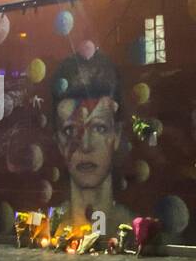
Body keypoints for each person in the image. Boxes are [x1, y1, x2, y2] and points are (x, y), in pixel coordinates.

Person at [51, 49, 135, 231]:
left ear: (117, 134)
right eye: (71, 130)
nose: (85, 145)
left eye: (99, 128)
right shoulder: (51, 227)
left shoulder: (133, 228)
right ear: (59, 142)